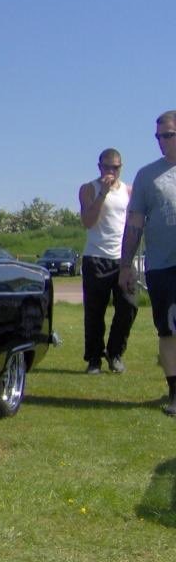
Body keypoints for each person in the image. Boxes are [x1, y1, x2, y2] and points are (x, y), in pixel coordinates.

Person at [120, 110, 176, 416]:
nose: (161, 142)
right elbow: (135, 224)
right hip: (163, 267)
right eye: (158, 137)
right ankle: (174, 393)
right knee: (168, 330)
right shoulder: (146, 176)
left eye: (167, 135)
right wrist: (125, 265)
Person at [78, 148, 137, 374]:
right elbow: (88, 222)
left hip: (122, 259)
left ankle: (115, 353)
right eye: (106, 167)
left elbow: (135, 224)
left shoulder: (129, 191)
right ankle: (94, 359)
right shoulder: (88, 189)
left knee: (129, 307)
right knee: (95, 312)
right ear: (99, 167)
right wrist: (102, 192)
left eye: (115, 167)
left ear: (121, 167)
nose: (111, 171)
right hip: (96, 258)